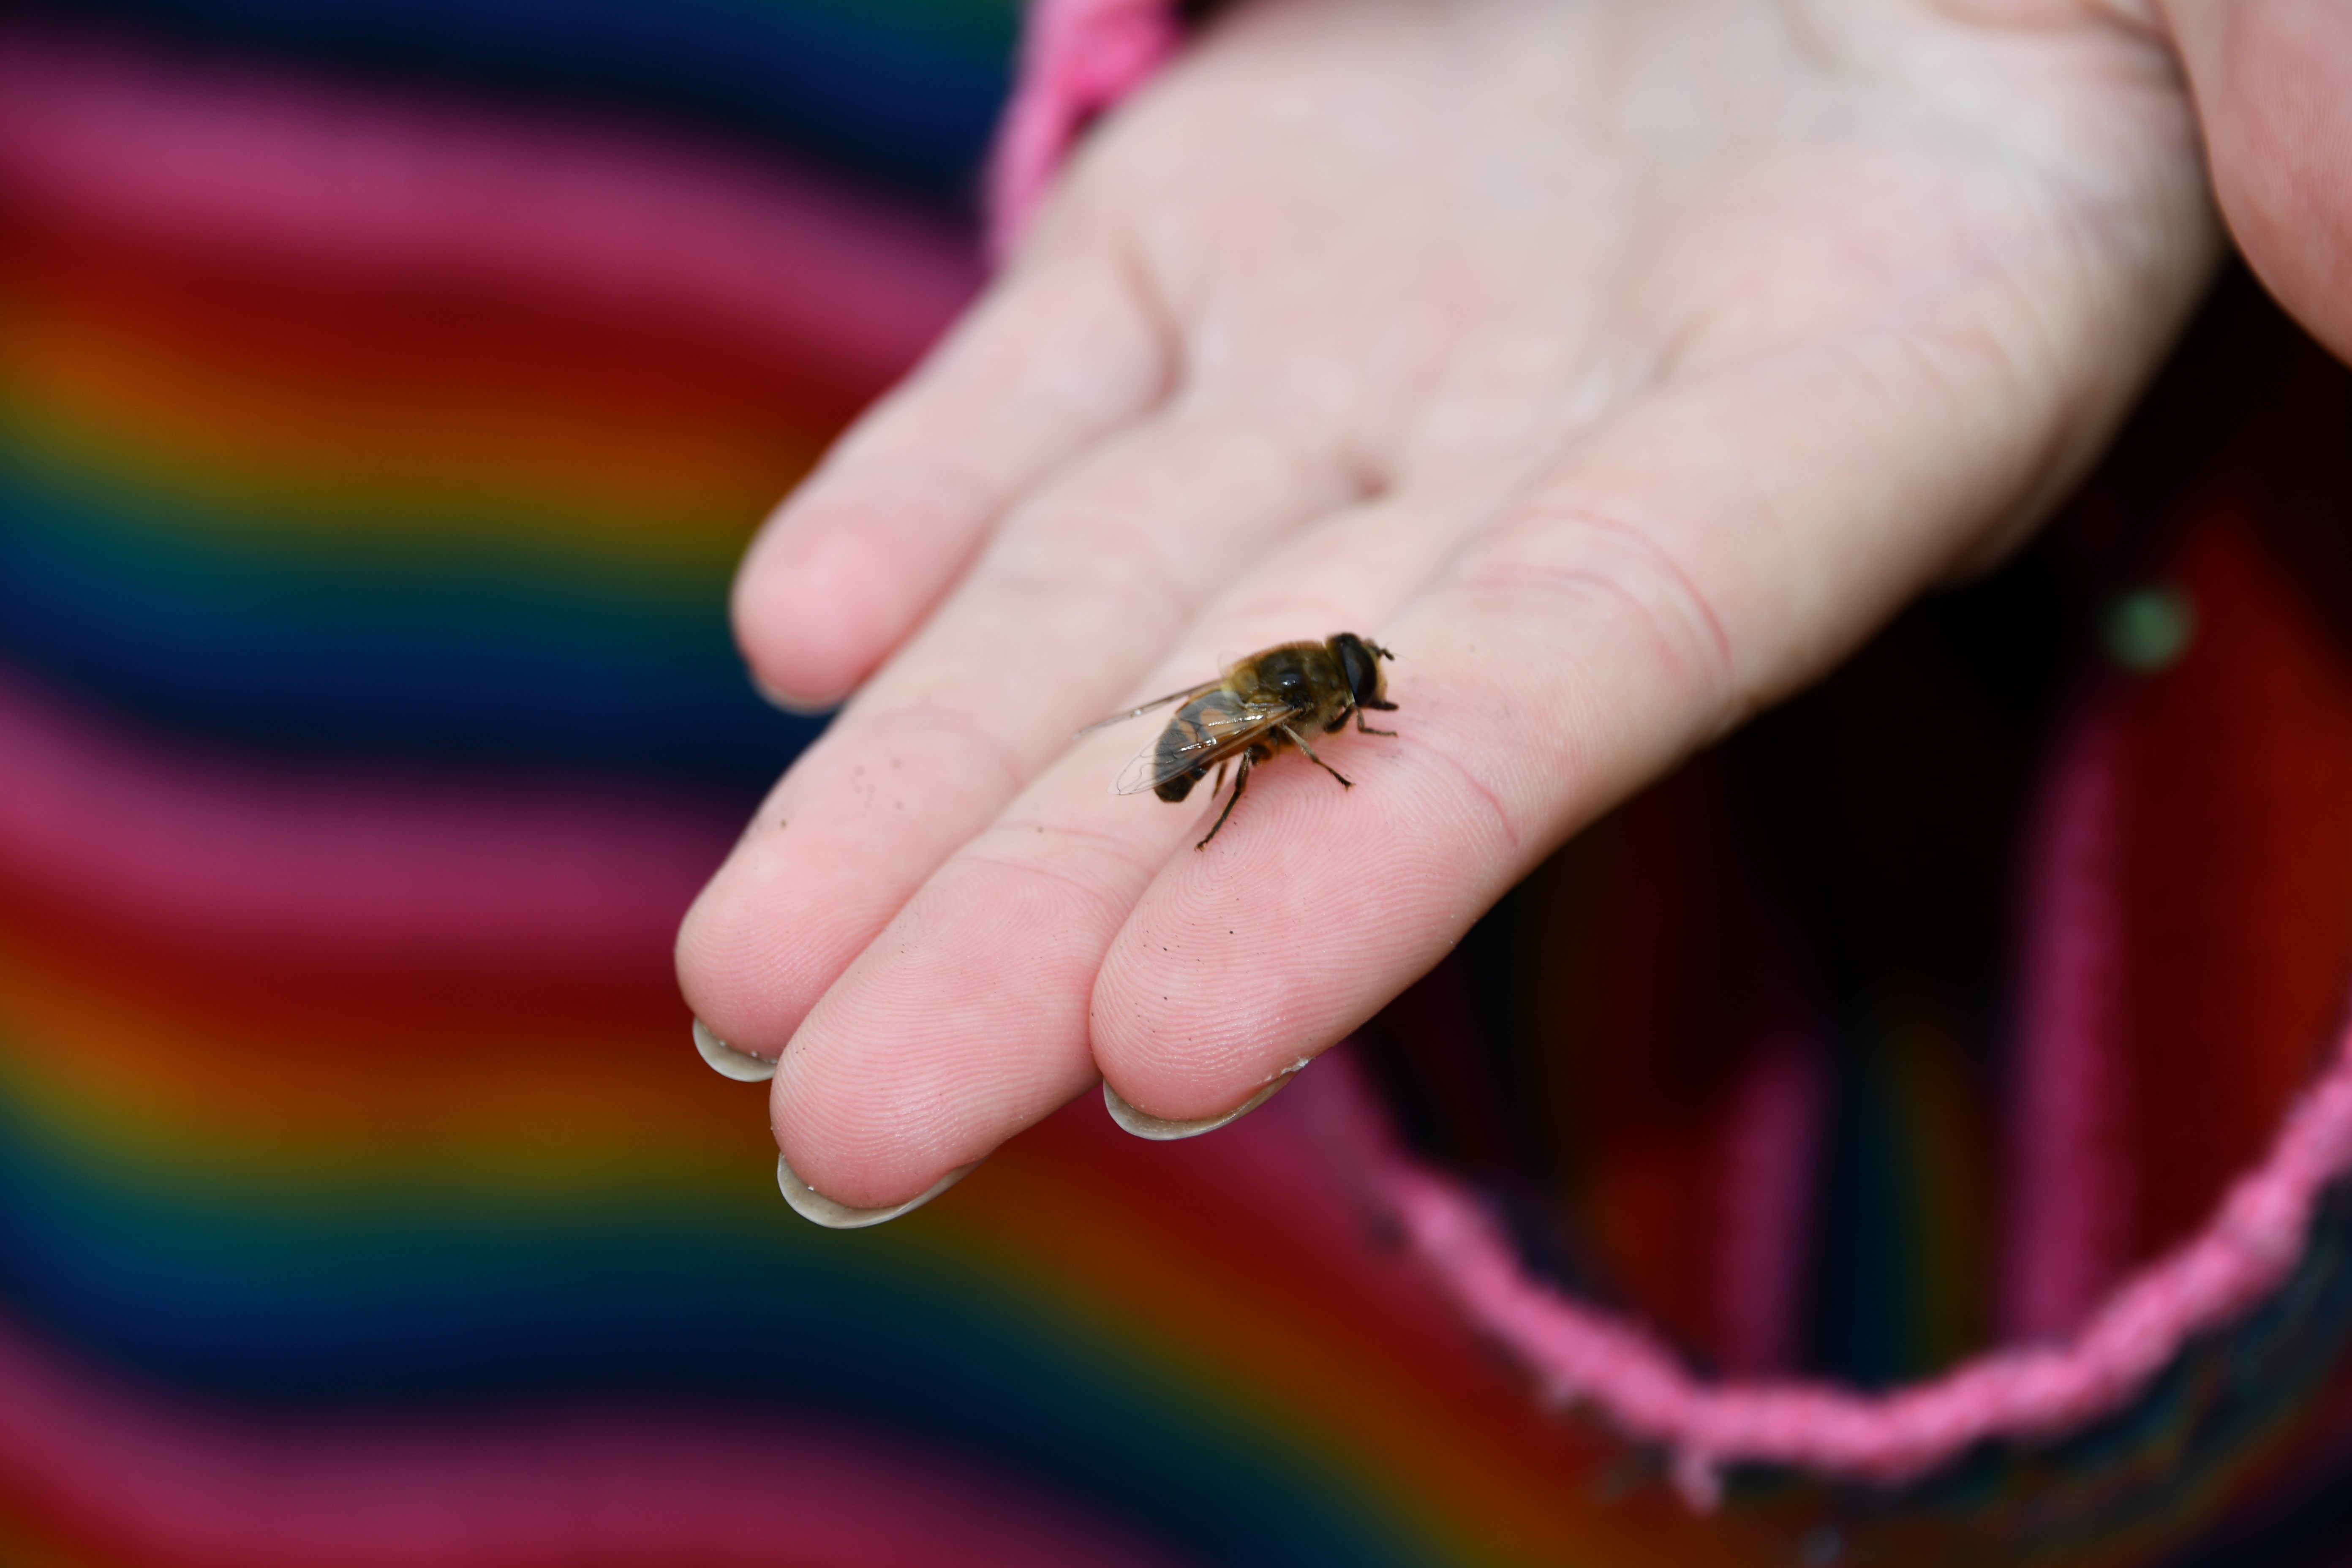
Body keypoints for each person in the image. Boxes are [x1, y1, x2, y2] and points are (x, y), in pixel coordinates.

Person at [676, 0, 2352, 1220]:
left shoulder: (1307, 685)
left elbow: (1269, 709)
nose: (1357, 698)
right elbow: (1263, 723)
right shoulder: (1297, 703)